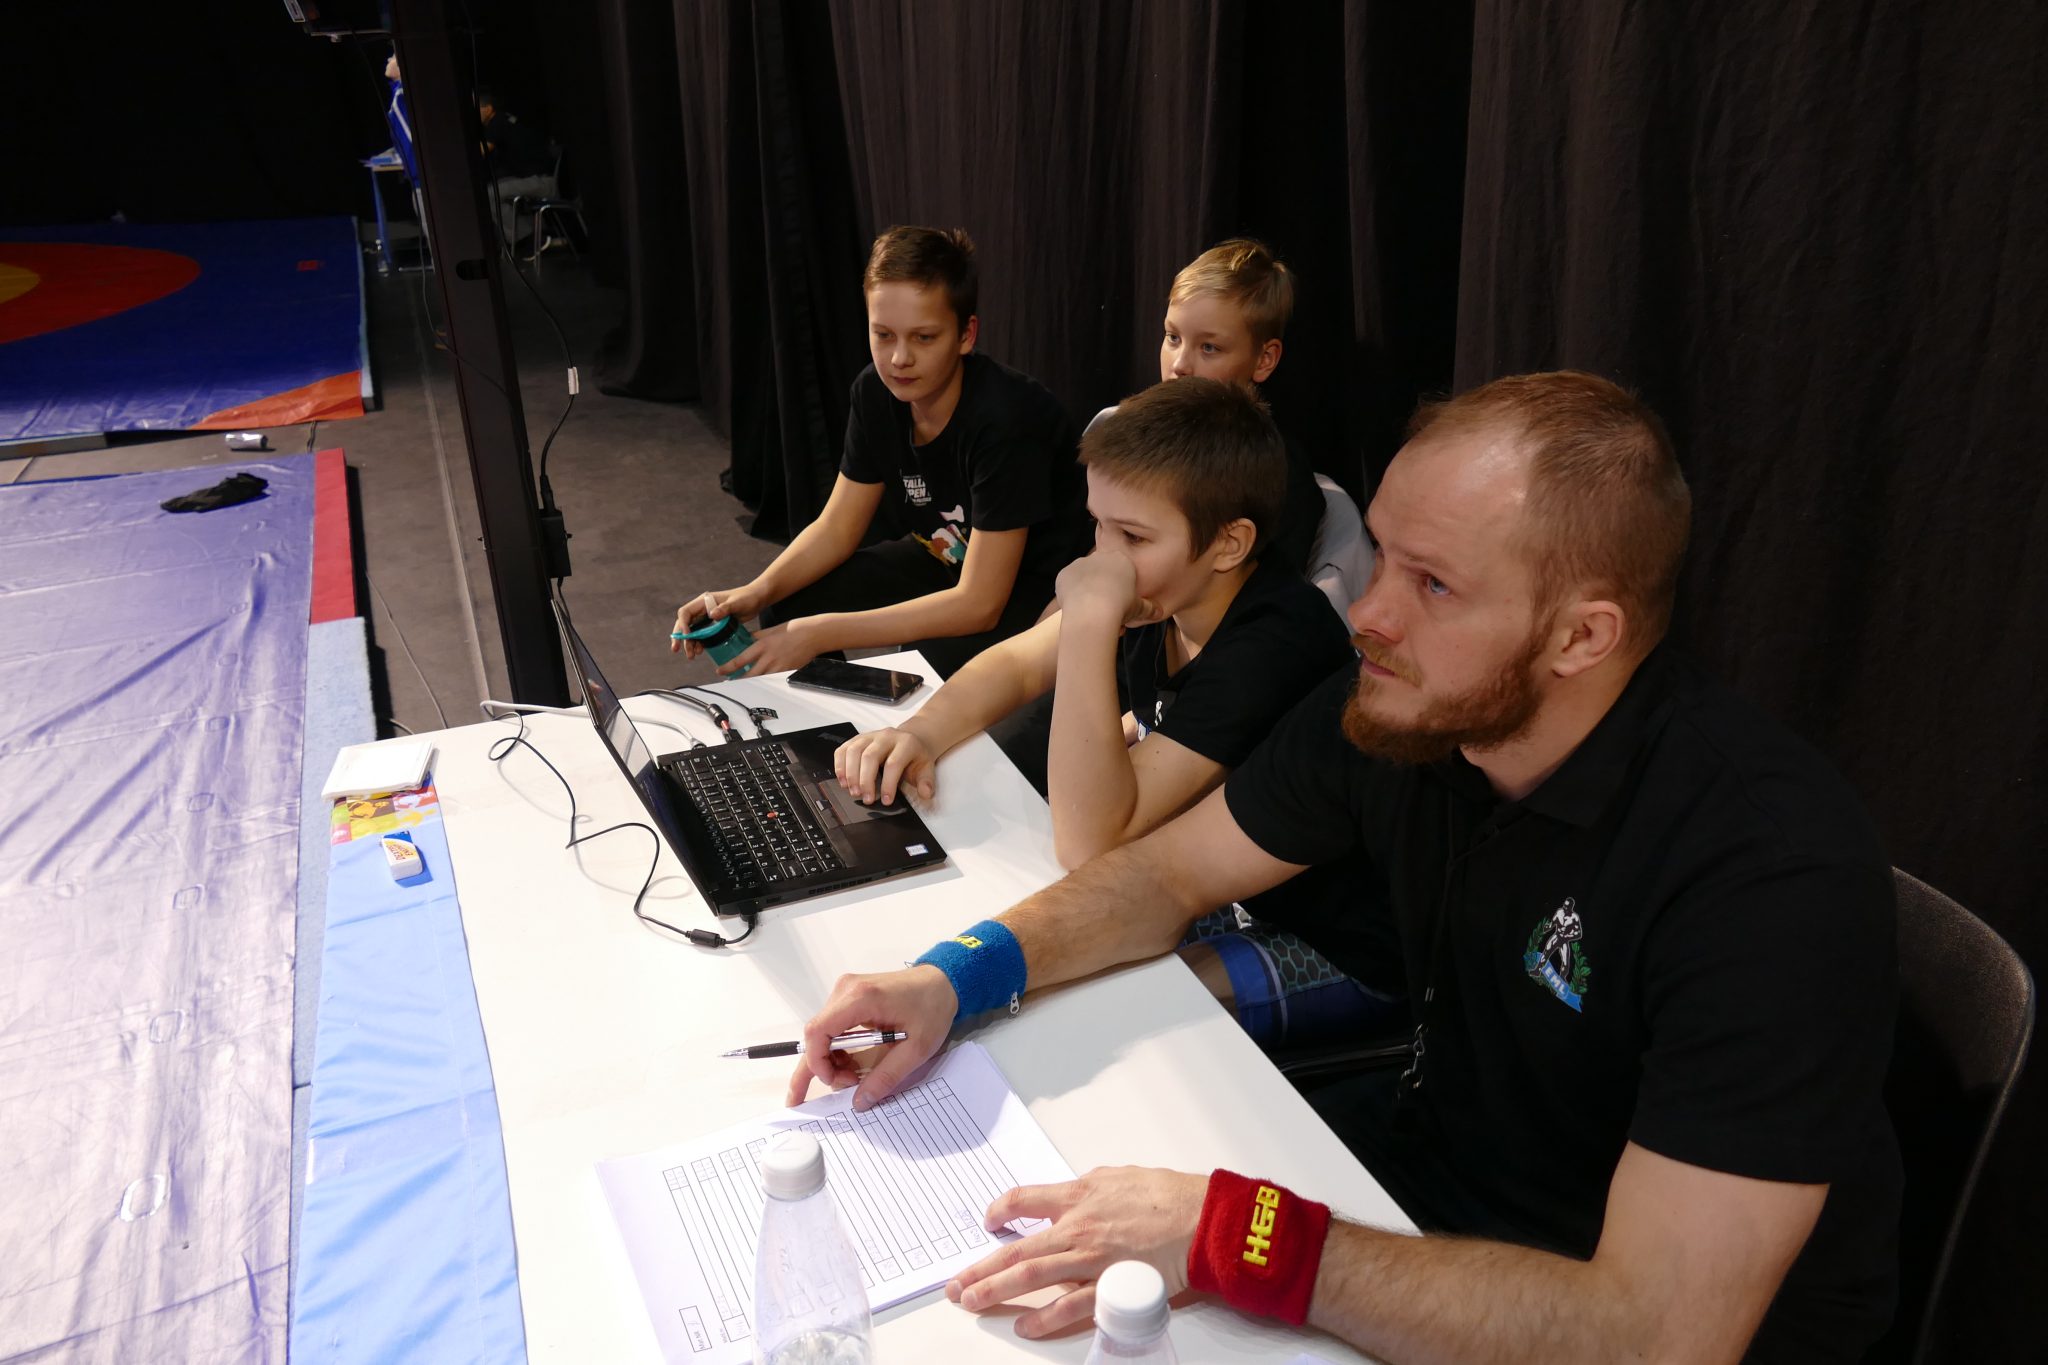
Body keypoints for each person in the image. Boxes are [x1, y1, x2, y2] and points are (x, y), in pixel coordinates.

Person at [788, 371, 1902, 1363]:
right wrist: (956, 975)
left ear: (1582, 637)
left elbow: (1652, 1336)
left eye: (1433, 585)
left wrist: (1236, 1236)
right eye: (1381, 554)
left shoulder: (1768, 881)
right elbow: (1163, 877)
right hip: (1428, 1189)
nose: (1367, 612)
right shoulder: (1407, 715)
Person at [674, 226, 1088, 679]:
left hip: (1028, 587)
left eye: (923, 337)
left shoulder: (1007, 418)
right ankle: (821, 719)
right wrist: (756, 591)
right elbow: (836, 527)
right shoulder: (874, 392)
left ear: (966, 335)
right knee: (787, 605)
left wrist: (818, 634)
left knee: (922, 661)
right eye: (884, 335)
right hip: (946, 559)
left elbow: (980, 603)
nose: (898, 359)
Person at [1111, 238, 1327, 577]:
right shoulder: (1129, 438)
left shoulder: (1281, 480)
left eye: (1209, 347)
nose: (1179, 365)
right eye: (1173, 338)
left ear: (1264, 359)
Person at [475, 89, 554, 252]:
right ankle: (532, 233)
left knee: (489, 195)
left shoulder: (497, 122)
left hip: (542, 180)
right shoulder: (504, 120)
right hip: (534, 177)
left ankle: (529, 238)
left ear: (488, 109)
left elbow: (481, 151)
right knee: (491, 188)